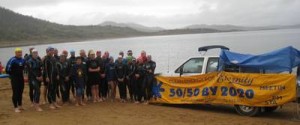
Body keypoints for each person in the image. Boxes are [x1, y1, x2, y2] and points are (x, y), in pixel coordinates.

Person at [6, 48, 26, 113]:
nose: (20, 53)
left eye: (20, 52)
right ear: (15, 53)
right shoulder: (12, 60)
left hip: (21, 78)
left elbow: (24, 69)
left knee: (20, 92)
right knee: (15, 93)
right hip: (14, 79)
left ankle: (20, 105)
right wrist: (11, 76)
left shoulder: (23, 60)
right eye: (18, 52)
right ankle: (15, 107)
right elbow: (7, 70)